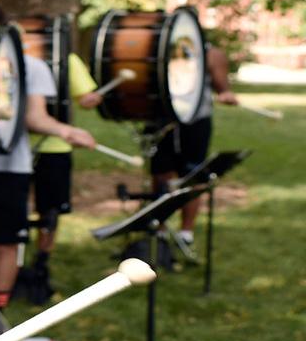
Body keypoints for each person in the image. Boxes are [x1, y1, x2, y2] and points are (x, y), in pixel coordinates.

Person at [0, 4, 96, 338]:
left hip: (10, 168)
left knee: (6, 242)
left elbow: (35, 117)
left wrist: (66, 131)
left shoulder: (31, 67)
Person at [79, 42, 238, 248]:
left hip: (196, 120)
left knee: (193, 175)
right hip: (160, 118)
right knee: (160, 174)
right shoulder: (157, 49)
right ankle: (159, 230)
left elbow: (222, 87)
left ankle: (185, 233)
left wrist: (226, 94)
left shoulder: (211, 54)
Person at [20, 52, 100, 305]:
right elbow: (87, 100)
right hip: (35, 146)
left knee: (48, 212)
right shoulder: (63, 57)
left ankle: (37, 267)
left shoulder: (67, 58)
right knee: (44, 212)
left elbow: (85, 98)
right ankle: (31, 267)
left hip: (49, 145)